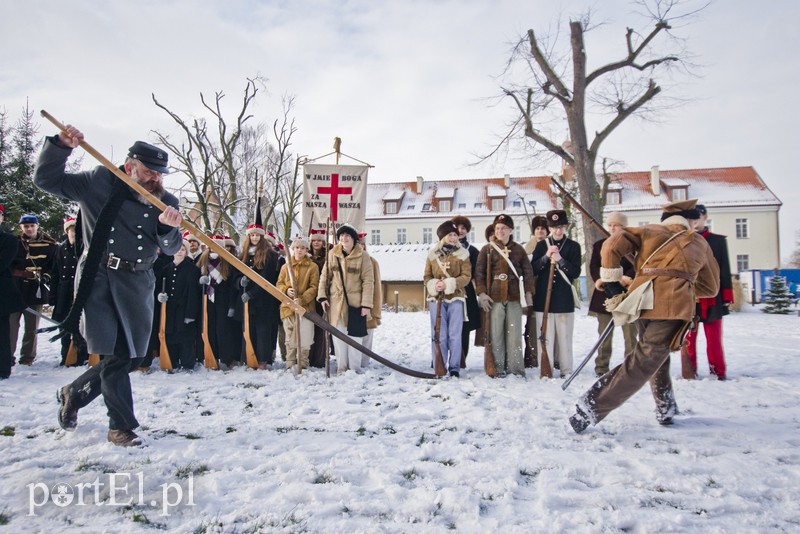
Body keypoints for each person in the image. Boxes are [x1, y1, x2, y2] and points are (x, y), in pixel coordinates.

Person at [34, 125, 184, 447]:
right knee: (115, 353)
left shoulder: (166, 202)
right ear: (130, 166)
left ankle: (73, 393)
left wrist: (166, 227)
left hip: (137, 281)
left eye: (160, 174)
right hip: (98, 277)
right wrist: (61, 147)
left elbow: (172, 249)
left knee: (132, 357)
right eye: (149, 172)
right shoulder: (100, 181)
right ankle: (120, 427)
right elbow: (47, 181)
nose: (155, 179)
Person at [569, 199, 720, 433]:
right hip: (672, 308)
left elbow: (611, 246)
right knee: (643, 361)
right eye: (696, 220)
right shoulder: (699, 241)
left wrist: (612, 281)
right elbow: (711, 288)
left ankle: (665, 405)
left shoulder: (648, 230)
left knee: (654, 356)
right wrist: (681, 284)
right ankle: (591, 406)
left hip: (641, 302)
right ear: (690, 220)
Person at [475, 214, 535, 377]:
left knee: (514, 334)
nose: (500, 231)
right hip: (494, 298)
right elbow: (479, 273)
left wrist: (529, 292)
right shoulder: (487, 249)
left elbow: (528, 272)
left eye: (503, 228)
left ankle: (515, 368)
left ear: (510, 230)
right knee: (496, 334)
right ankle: (497, 367)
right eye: (497, 228)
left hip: (514, 296)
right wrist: (482, 294)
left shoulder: (518, 249)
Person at [683, 204, 733, 380]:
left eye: (698, 217)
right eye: (691, 218)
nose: (694, 221)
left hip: (714, 296)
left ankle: (718, 372)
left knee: (714, 340)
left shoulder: (718, 241)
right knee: (688, 339)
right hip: (689, 297)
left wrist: (727, 295)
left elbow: (724, 269)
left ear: (705, 217)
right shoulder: (683, 240)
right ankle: (689, 371)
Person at [531, 210, 582, 377]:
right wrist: (546, 256)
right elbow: (533, 269)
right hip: (543, 300)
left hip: (563, 299)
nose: (557, 231)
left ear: (565, 227)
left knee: (565, 338)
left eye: (560, 227)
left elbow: (574, 272)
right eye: (554, 227)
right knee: (544, 338)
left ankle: (566, 370)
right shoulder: (541, 245)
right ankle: (546, 369)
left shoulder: (573, 246)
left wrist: (560, 259)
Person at [317, 224, 374, 374]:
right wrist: (322, 296)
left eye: (347, 236)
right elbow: (325, 276)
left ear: (354, 239)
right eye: (341, 236)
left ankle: (354, 368)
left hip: (355, 302)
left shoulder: (363, 256)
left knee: (355, 336)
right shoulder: (332, 254)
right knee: (339, 336)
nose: (344, 238)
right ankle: (342, 367)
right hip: (337, 302)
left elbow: (368, 281)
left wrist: (366, 304)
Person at [589, 212, 637, 376]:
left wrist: (627, 277)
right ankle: (601, 367)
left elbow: (640, 265)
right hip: (605, 293)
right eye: (610, 225)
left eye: (616, 225)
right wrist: (599, 280)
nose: (612, 228)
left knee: (630, 336)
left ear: (624, 226)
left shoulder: (634, 245)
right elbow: (594, 266)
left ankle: (631, 368)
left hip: (628, 295)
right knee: (604, 335)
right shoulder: (599, 245)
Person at [424, 221, 472, 377]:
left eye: (454, 235)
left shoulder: (463, 254)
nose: (453, 237)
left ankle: (454, 367)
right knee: (439, 334)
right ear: (443, 237)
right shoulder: (432, 255)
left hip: (456, 297)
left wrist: (449, 284)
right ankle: (439, 363)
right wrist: (434, 284)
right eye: (449, 235)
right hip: (436, 298)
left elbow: (466, 276)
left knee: (454, 334)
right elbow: (427, 276)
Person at [9, 214, 58, 366]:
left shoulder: (50, 245)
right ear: (21, 227)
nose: (29, 229)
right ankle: (7, 356)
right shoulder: (13, 243)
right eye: (26, 226)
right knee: (10, 326)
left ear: (37, 226)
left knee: (31, 327)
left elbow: (52, 266)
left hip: (35, 288)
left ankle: (27, 357)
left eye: (32, 226)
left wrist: (46, 276)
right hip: (15, 288)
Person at [238, 224, 283, 369]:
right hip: (247, 299)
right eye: (252, 235)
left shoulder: (270, 255)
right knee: (249, 329)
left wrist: (252, 293)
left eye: (257, 235)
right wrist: (240, 282)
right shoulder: (243, 254)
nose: (255, 237)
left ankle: (263, 360)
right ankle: (249, 358)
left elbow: (267, 278)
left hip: (264, 299)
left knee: (263, 330)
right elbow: (236, 274)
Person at [156, 240, 201, 370]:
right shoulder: (166, 269)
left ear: (186, 252)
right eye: (177, 249)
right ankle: (172, 362)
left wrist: (190, 314)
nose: (179, 252)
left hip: (185, 308)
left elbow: (193, 293)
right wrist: (160, 296)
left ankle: (187, 364)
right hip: (170, 309)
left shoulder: (192, 269)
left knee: (185, 337)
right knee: (171, 336)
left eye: (182, 250)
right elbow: (159, 287)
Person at [276, 236, 320, 372]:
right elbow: (279, 284)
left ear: (307, 250)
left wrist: (302, 299)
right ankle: (290, 362)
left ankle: (303, 362)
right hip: (288, 307)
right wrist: (285, 290)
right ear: (293, 249)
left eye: (302, 248)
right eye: (296, 248)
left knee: (305, 335)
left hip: (305, 308)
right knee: (289, 336)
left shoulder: (312, 267)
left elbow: (314, 287)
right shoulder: (285, 267)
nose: (299, 251)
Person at [198, 235, 242, 369]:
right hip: (208, 299)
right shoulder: (203, 261)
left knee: (224, 330)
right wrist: (201, 282)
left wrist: (232, 306)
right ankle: (211, 357)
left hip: (223, 300)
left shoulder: (228, 262)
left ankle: (227, 358)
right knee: (209, 328)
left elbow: (232, 285)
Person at [50, 217, 88, 366]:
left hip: (80, 289)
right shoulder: (60, 249)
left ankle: (82, 355)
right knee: (63, 323)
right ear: (67, 231)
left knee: (81, 323)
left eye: (76, 229)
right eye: (71, 230)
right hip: (64, 291)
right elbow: (55, 273)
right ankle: (65, 354)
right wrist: (53, 294)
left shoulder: (85, 247)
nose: (74, 233)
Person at [451, 215, 480, 369]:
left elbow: (478, 274)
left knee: (464, 328)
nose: (460, 231)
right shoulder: (444, 247)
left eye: (463, 228)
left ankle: (461, 359)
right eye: (457, 228)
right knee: (447, 327)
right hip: (448, 291)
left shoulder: (473, 251)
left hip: (466, 291)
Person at [1, 205, 26, 379]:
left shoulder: (9, 240)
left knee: (2, 333)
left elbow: (2, 263)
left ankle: (2, 368)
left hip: (2, 293)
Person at [523, 215, 548, 368]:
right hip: (533, 290)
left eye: (543, 229)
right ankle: (531, 357)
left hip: (549, 289)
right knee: (531, 325)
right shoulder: (528, 247)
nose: (540, 231)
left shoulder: (552, 244)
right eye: (537, 228)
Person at [359, 234, 382, 369]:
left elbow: (377, 288)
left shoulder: (372, 262)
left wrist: (375, 309)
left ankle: (364, 362)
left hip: (369, 304)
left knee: (367, 335)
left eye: (361, 244)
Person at [308, 229, 329, 368]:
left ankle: (319, 359)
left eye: (319, 240)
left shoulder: (328, 257)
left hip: (322, 297)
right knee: (308, 328)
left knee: (321, 329)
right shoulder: (306, 257)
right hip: (308, 297)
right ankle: (308, 357)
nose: (316, 242)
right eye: (314, 240)